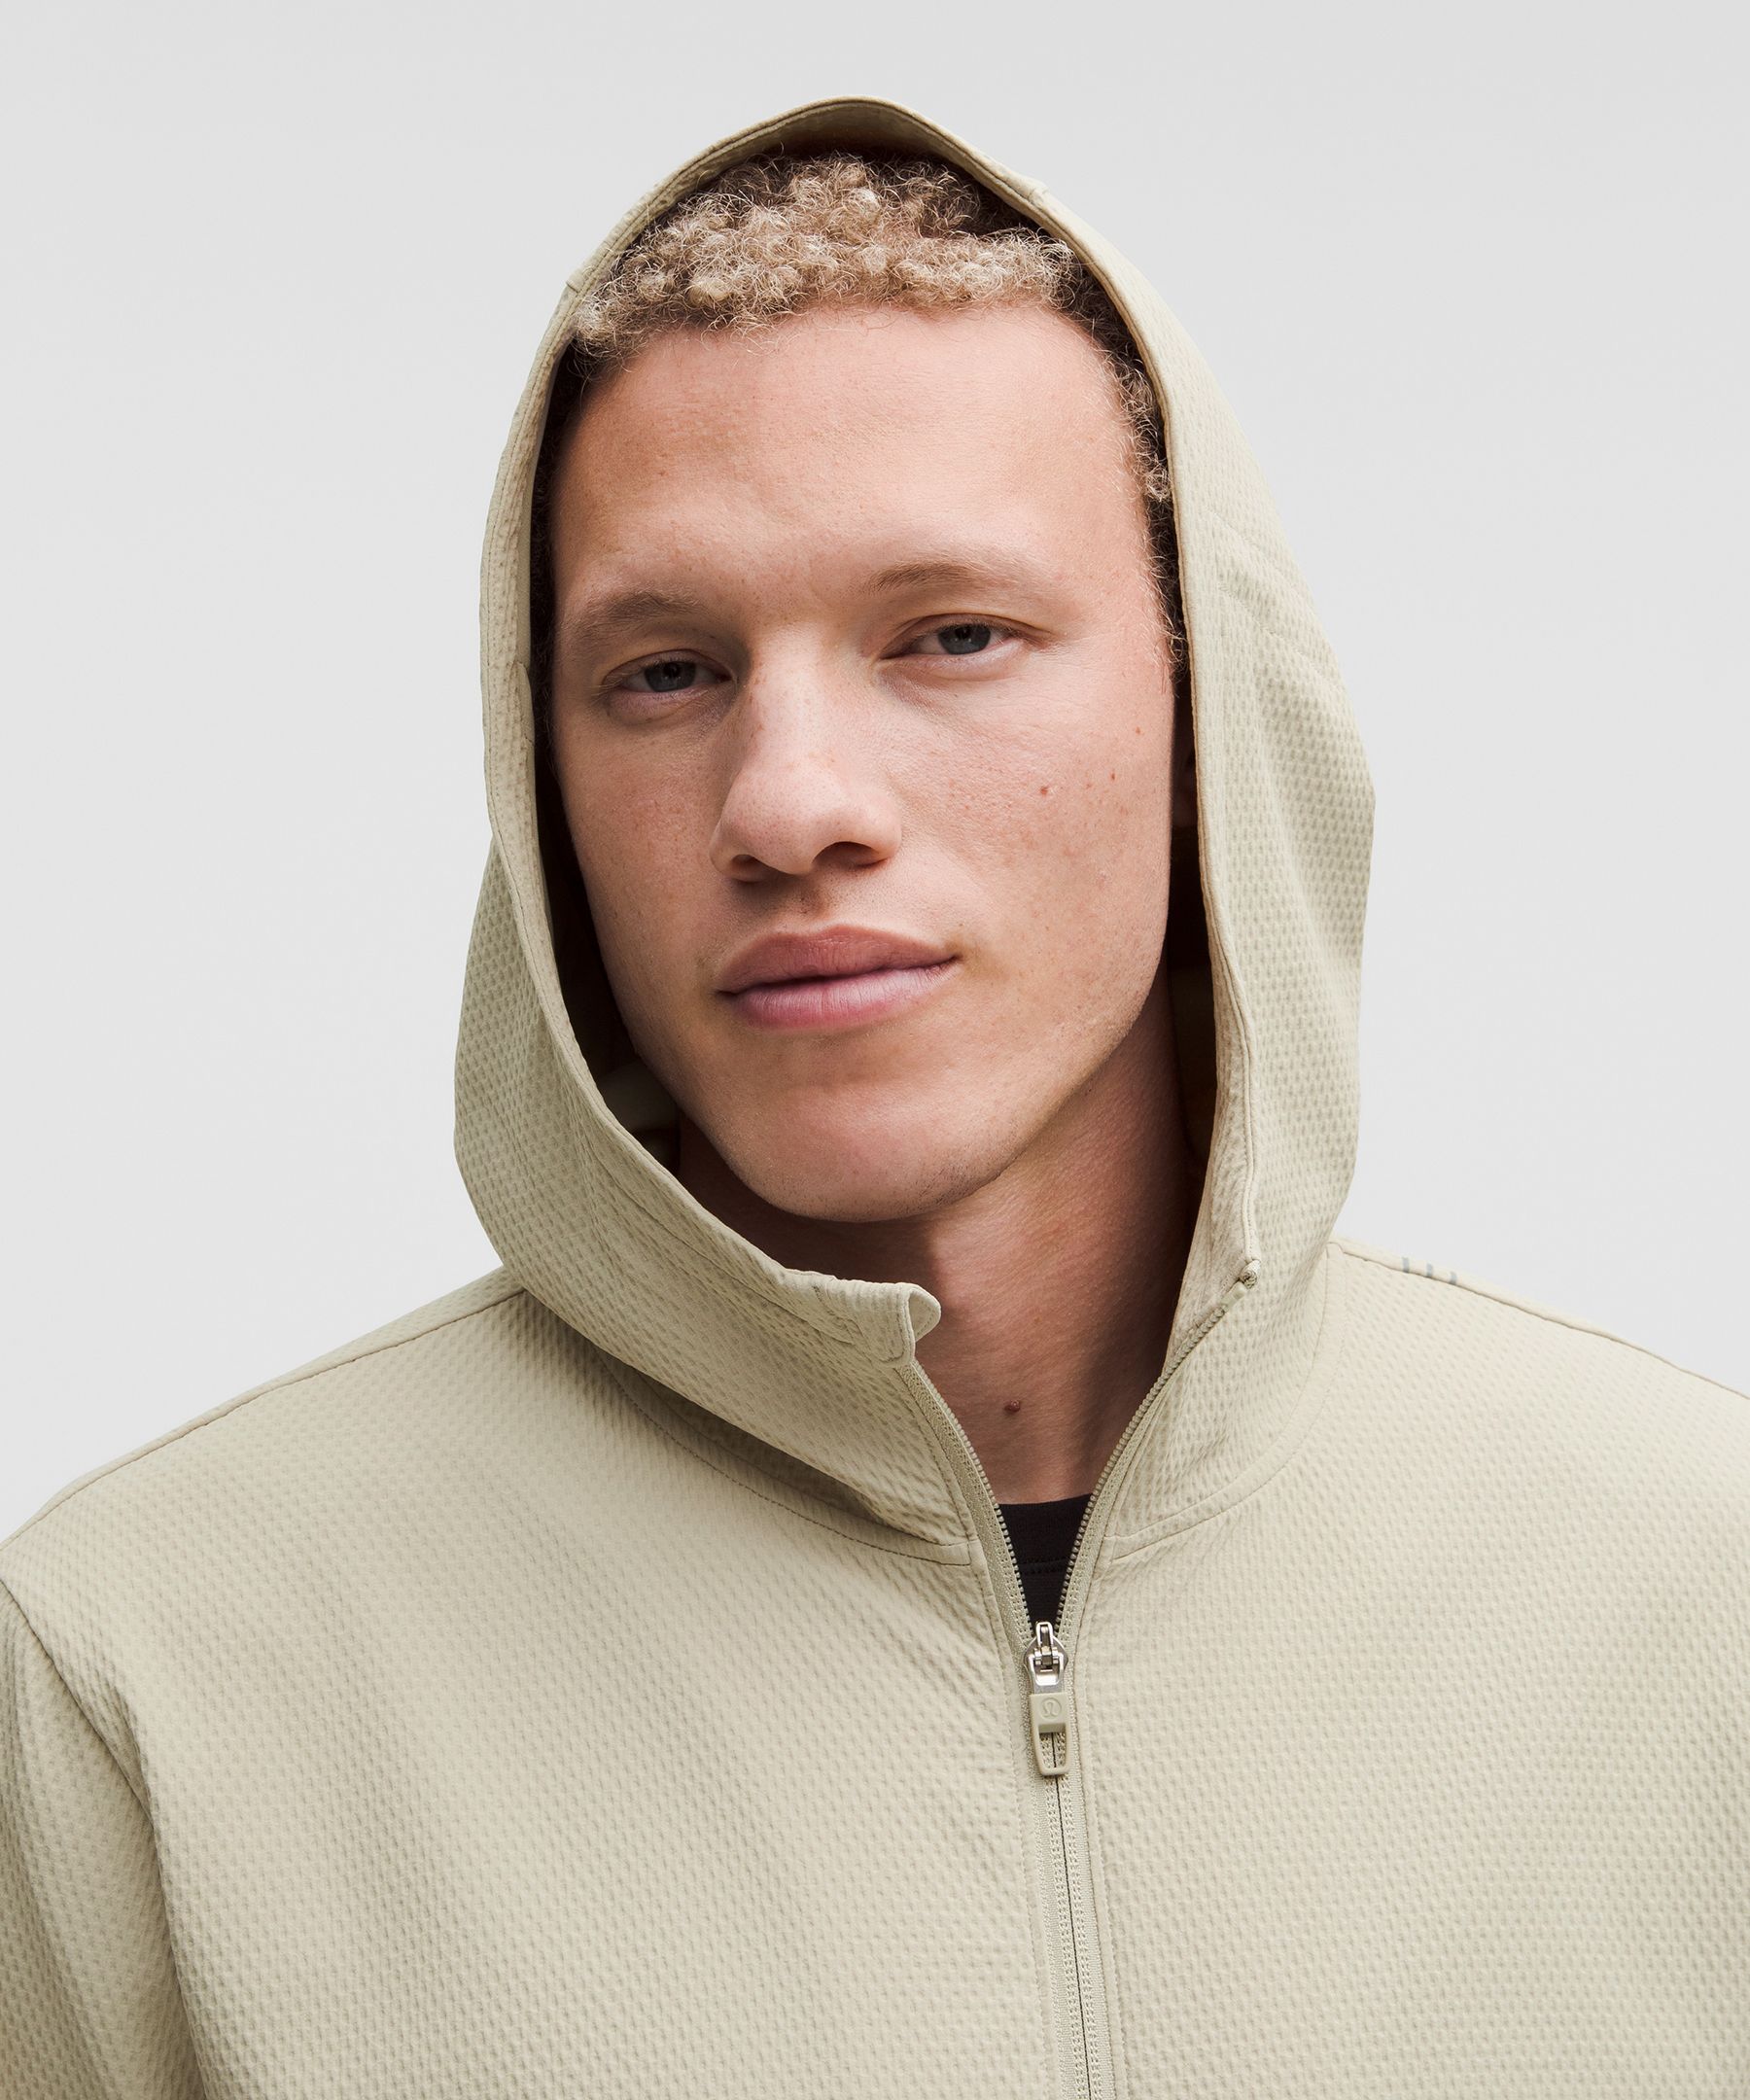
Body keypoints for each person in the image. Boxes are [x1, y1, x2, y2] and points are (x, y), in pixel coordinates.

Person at [2, 91, 1745, 2098]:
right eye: (665, 671)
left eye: (954, 636)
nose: (791, 802)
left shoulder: (1704, 1597)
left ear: (1211, 714)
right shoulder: (146, 1678)